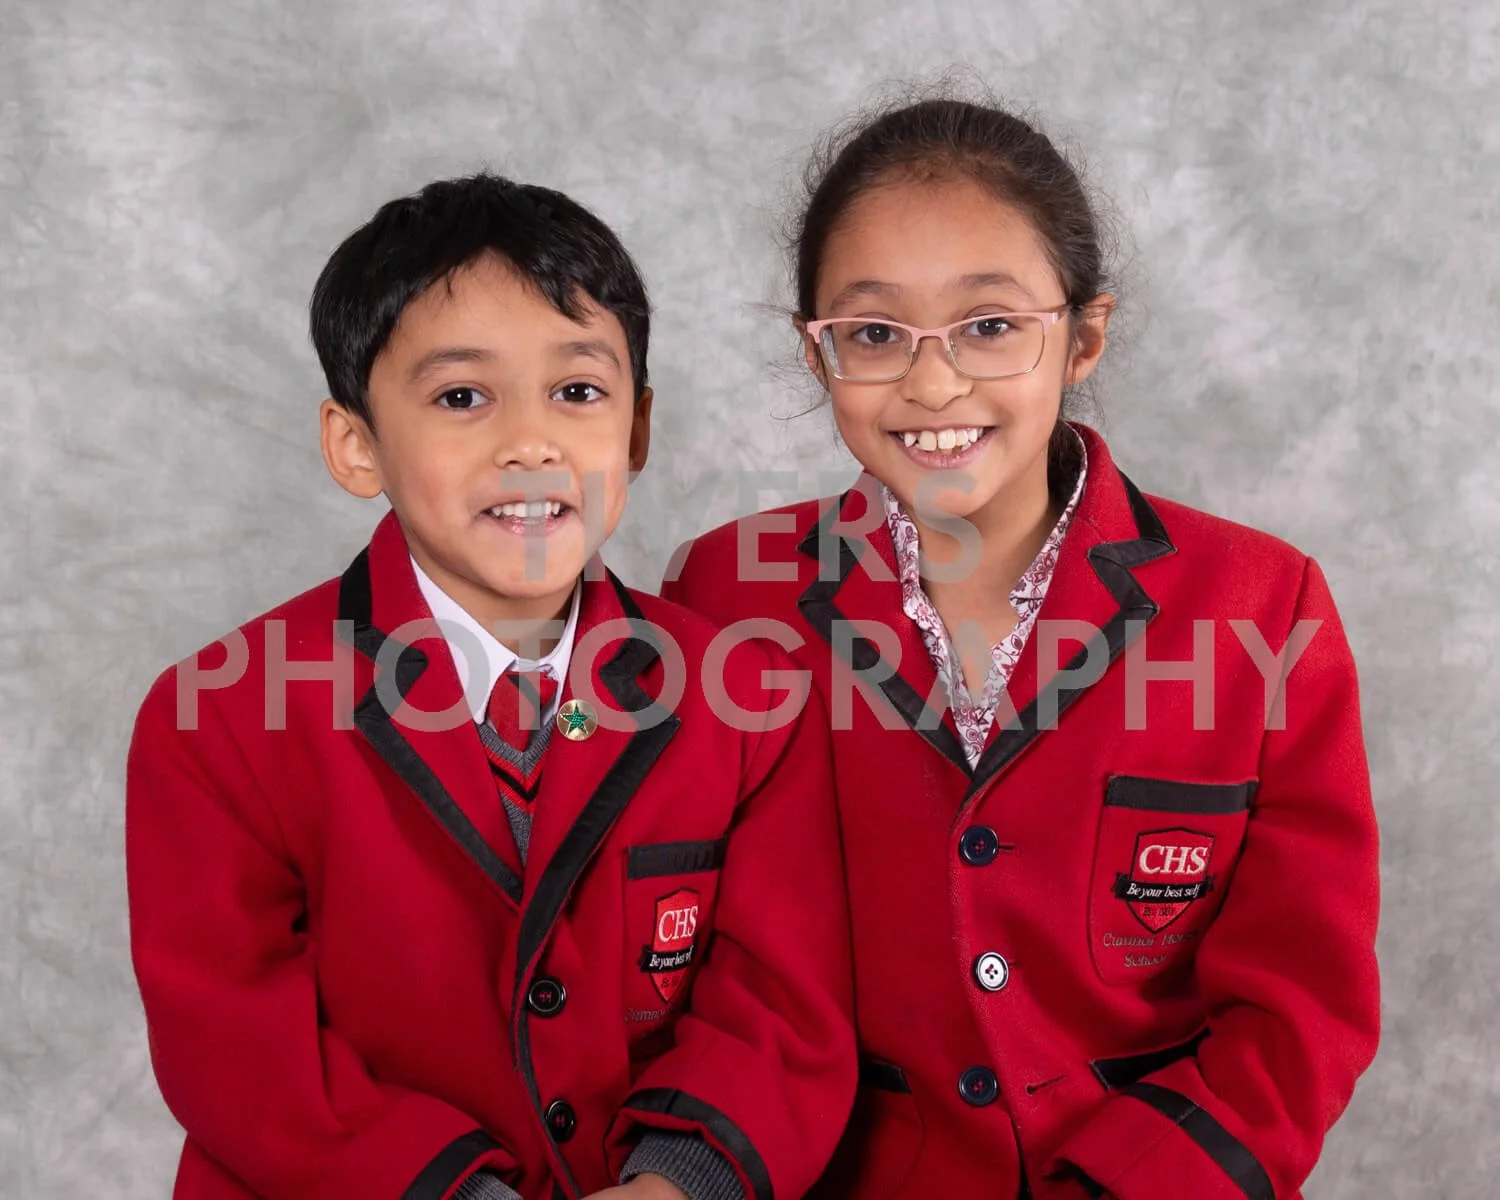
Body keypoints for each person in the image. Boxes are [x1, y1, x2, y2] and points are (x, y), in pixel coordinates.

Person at [662, 96, 1379, 1200]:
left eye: (990, 325)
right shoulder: (726, 596)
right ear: (817, 353)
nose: (933, 383)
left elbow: (1298, 1016)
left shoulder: (1264, 606)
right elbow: (712, 977)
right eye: (874, 333)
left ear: (1083, 337)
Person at [126, 173, 854, 1200]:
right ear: (356, 446)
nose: (530, 443)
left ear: (637, 432)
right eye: (462, 398)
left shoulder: (750, 701)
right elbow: (237, 1049)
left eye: (578, 392)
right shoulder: (217, 719)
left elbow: (778, 1010)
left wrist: (674, 1186)